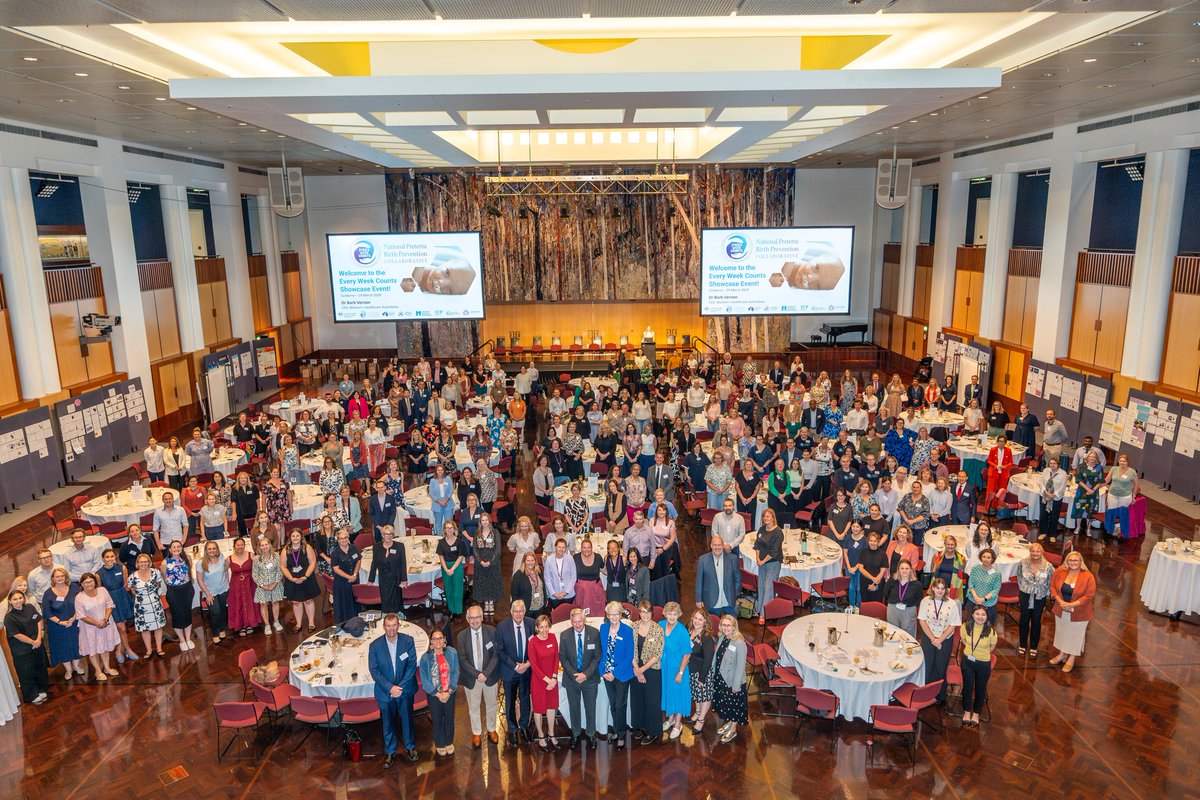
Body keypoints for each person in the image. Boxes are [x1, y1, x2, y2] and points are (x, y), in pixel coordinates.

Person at [369, 613, 420, 767]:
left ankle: (410, 747)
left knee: (407, 720)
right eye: (388, 625)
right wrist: (390, 687)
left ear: (399, 625)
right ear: (384, 627)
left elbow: (411, 665)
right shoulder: (375, 646)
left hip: (404, 691)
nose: (391, 629)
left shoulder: (408, 641)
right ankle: (390, 752)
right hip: (385, 692)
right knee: (388, 723)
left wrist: (400, 687)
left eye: (394, 625)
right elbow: (374, 670)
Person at [557, 607, 601, 750]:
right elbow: (563, 659)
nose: (578, 624)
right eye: (575, 622)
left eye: (580, 621)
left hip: (590, 678)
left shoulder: (594, 633)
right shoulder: (564, 636)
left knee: (591, 708)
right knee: (574, 708)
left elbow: (597, 657)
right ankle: (575, 733)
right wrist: (575, 675)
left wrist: (585, 674)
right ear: (571, 621)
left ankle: (591, 733)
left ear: (584, 620)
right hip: (572, 679)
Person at [495, 599, 537, 746]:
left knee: (525, 698)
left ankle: (524, 726)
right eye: (515, 611)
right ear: (511, 612)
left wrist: (528, 664)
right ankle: (512, 729)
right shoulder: (502, 627)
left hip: (527, 669)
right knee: (510, 700)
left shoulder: (532, 624)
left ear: (525, 612)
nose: (518, 614)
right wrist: (515, 666)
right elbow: (499, 650)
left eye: (521, 611)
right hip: (510, 671)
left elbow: (536, 646)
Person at [457, 605, 499, 747]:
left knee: (492, 705)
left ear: (482, 618)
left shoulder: (492, 631)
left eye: (477, 617)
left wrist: (485, 673)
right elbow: (462, 659)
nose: (475, 620)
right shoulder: (462, 636)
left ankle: (492, 729)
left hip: (490, 676)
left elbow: (496, 655)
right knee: (473, 707)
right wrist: (477, 674)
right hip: (472, 678)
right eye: (471, 618)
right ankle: (476, 732)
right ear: (467, 619)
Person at [1049, 551, 1096, 673]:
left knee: (1075, 635)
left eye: (1076, 560)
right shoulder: (1060, 571)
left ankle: (1071, 658)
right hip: (1061, 608)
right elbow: (1052, 587)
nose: (1073, 563)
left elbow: (1089, 595)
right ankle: (1062, 654)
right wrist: (1060, 602)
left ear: (1081, 562)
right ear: (1067, 561)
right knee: (1062, 632)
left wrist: (1071, 605)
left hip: (1080, 611)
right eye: (1071, 560)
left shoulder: (1088, 576)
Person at [918, 578, 961, 704]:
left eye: (942, 588)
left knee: (940, 666)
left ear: (946, 590)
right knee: (928, 665)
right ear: (933, 588)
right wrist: (933, 638)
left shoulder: (952, 603)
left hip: (945, 639)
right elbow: (922, 620)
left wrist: (940, 639)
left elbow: (953, 624)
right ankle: (925, 694)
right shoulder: (925, 601)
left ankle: (939, 696)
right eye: (937, 588)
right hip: (928, 637)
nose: (940, 591)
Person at [418, 628, 460, 757]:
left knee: (449, 717)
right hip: (434, 694)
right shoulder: (425, 658)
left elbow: (455, 672)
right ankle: (440, 743)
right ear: (431, 641)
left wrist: (449, 691)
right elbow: (424, 679)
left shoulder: (452, 653)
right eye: (435, 638)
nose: (437, 641)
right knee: (437, 719)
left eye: (440, 638)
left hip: (449, 692)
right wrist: (437, 693)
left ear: (444, 640)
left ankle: (449, 741)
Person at [74, 572, 121, 681]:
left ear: (95, 581)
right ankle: (98, 671)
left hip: (106, 623)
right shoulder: (79, 598)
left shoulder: (102, 591)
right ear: (81, 584)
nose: (89, 584)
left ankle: (107, 668)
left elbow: (109, 605)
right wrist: (96, 623)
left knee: (105, 646)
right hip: (89, 628)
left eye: (91, 581)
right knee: (93, 648)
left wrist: (105, 619)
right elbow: (81, 615)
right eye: (85, 582)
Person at [5, 590, 48, 705]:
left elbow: (38, 620)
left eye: (20, 598)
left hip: (37, 643)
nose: (18, 601)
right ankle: (32, 694)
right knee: (27, 671)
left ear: (23, 598)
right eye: (15, 599)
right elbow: (16, 635)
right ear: (10, 601)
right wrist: (32, 642)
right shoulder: (9, 618)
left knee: (40, 667)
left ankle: (41, 689)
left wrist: (39, 638)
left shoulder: (29, 607)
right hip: (22, 649)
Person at [631, 600, 665, 745]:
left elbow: (657, 654)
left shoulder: (657, 629)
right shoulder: (634, 626)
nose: (645, 615)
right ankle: (639, 727)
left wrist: (642, 670)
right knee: (637, 700)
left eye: (648, 612)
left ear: (652, 613)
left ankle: (652, 731)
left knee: (652, 702)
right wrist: (637, 670)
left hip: (651, 670)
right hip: (635, 668)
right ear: (639, 613)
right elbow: (629, 650)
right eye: (642, 612)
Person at [710, 614, 748, 744]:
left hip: (732, 681)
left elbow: (740, 667)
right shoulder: (722, 638)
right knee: (727, 705)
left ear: (734, 627)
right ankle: (729, 723)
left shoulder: (739, 643)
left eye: (729, 625)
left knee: (734, 707)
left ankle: (733, 729)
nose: (726, 628)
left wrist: (736, 686)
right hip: (721, 679)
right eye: (723, 625)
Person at [526, 613, 561, 751]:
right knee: (539, 708)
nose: (545, 630)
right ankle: (541, 735)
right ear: (537, 628)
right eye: (542, 627)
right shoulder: (533, 642)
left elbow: (556, 659)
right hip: (539, 681)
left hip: (552, 679)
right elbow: (534, 665)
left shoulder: (552, 638)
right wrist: (547, 679)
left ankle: (551, 734)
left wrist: (553, 677)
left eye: (547, 626)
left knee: (552, 706)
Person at [958, 604, 997, 728]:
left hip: (983, 663)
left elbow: (992, 647)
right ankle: (966, 712)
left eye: (983, 614)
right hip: (967, 661)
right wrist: (971, 650)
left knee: (980, 688)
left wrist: (981, 653)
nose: (980, 617)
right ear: (973, 615)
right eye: (977, 614)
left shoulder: (991, 631)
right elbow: (963, 640)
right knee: (968, 687)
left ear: (987, 616)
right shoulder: (966, 627)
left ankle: (976, 713)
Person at [42, 566, 83, 679]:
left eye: (62, 576)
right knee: (62, 646)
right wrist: (60, 622)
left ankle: (76, 665)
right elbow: (47, 612)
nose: (60, 578)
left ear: (66, 577)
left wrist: (74, 618)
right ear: (53, 578)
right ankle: (68, 670)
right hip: (57, 625)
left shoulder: (74, 587)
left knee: (77, 643)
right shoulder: (48, 593)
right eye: (57, 576)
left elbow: (80, 604)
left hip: (75, 622)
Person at [658, 601, 692, 740]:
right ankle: (670, 718)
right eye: (669, 614)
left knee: (677, 694)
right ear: (665, 614)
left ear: (679, 615)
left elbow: (687, 654)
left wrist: (680, 672)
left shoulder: (682, 631)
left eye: (675, 614)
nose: (672, 617)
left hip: (677, 668)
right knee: (668, 693)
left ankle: (678, 724)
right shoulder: (660, 625)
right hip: (664, 668)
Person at [1016, 543, 1054, 659]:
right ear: (1030, 552)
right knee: (1024, 619)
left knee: (1036, 621)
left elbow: (1051, 580)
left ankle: (1033, 647)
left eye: (1038, 551)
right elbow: (1019, 577)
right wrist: (1025, 588)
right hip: (1025, 594)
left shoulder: (1048, 566)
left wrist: (1046, 594)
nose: (1035, 554)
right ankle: (1022, 644)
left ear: (1042, 552)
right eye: (1033, 551)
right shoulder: (1023, 563)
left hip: (1039, 596)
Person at [127, 553, 166, 658]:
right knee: (145, 629)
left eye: (145, 561)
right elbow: (133, 591)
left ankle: (159, 648)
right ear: (137, 563)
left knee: (158, 627)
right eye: (141, 562)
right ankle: (148, 650)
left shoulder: (156, 572)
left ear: (149, 563)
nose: (143, 564)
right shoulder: (132, 577)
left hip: (155, 602)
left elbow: (158, 585)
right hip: (141, 605)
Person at [281, 528, 320, 631]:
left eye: (297, 536)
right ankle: (298, 623)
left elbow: (313, 562)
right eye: (293, 536)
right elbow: (283, 566)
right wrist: (291, 578)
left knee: (308, 600)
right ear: (290, 538)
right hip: (292, 579)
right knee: (296, 602)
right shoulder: (285, 550)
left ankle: (311, 622)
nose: (295, 538)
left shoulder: (307, 547)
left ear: (301, 537)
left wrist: (305, 576)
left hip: (306, 578)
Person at [696, 534, 738, 618]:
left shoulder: (733, 559)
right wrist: (698, 599)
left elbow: (738, 579)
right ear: (711, 546)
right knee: (712, 627)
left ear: (723, 546)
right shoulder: (703, 560)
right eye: (715, 545)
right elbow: (699, 581)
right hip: (711, 600)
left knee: (730, 626)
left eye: (719, 545)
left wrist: (734, 594)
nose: (717, 547)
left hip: (729, 600)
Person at [369, 526, 408, 617]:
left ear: (393, 535)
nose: (388, 536)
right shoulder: (376, 547)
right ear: (383, 535)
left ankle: (397, 619)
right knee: (385, 601)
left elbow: (403, 563)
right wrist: (371, 579)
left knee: (396, 602)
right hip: (384, 579)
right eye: (386, 534)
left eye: (391, 534)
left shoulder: (399, 546)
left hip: (396, 579)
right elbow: (374, 563)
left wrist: (404, 579)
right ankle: (387, 619)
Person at [754, 508, 784, 623]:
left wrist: (762, 561)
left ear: (773, 518)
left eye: (768, 516)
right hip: (761, 562)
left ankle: (764, 614)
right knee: (761, 586)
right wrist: (758, 559)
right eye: (764, 516)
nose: (766, 518)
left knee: (768, 588)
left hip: (773, 563)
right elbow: (757, 545)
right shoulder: (761, 529)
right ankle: (759, 609)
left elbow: (774, 552)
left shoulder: (778, 532)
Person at [197, 541, 230, 645]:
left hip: (223, 589)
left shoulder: (221, 557)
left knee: (223, 610)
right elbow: (200, 580)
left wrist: (227, 584)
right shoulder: (201, 563)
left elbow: (225, 571)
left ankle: (222, 629)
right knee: (215, 612)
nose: (212, 551)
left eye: (214, 548)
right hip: (210, 592)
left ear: (217, 549)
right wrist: (207, 594)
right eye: (209, 549)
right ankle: (215, 633)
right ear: (206, 550)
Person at [252, 536, 285, 634]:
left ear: (270, 545)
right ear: (259, 547)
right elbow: (255, 574)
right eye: (262, 545)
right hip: (262, 586)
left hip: (275, 583)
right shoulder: (257, 559)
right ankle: (267, 625)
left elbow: (280, 570)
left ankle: (276, 621)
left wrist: (275, 583)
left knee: (275, 602)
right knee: (263, 604)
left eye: (266, 544)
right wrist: (262, 585)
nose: (265, 547)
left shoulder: (276, 556)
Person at [1104, 454, 1140, 538]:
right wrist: (1098, 485)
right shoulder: (1113, 469)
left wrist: (1133, 496)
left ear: (1128, 462)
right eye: (1121, 461)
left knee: (1122, 513)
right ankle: (1110, 529)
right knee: (1111, 512)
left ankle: (1121, 529)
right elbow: (1107, 480)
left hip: (1125, 496)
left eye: (1124, 461)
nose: (1122, 463)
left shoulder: (1132, 471)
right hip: (1112, 495)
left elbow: (1136, 485)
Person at [883, 559, 921, 637]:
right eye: (902, 568)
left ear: (911, 570)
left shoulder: (916, 584)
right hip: (893, 609)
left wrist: (911, 605)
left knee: (908, 635)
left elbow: (920, 599)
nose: (904, 571)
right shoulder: (892, 580)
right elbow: (885, 593)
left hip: (909, 610)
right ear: (898, 569)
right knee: (892, 633)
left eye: (907, 568)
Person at [330, 529, 361, 625]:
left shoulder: (353, 547)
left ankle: (356, 623)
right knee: (345, 605)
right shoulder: (335, 553)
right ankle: (346, 625)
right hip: (342, 583)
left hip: (354, 579)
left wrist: (354, 575)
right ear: (338, 540)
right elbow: (336, 569)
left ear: (348, 538)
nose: (343, 540)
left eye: (345, 538)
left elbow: (359, 560)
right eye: (341, 538)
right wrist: (349, 577)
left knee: (355, 603)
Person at [1071, 450, 1104, 534]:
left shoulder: (1099, 467)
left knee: (1091, 510)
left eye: (1094, 457)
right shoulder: (1081, 466)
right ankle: (1078, 527)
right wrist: (1088, 489)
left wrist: (1093, 490)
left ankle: (1088, 529)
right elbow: (1078, 479)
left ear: (1096, 458)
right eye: (1090, 456)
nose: (1092, 458)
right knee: (1079, 509)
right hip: (1082, 491)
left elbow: (1101, 480)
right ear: (1087, 457)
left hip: (1093, 492)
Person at [1038, 457, 1069, 543]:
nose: (1052, 465)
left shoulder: (1063, 474)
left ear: (1058, 464)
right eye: (1051, 463)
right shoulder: (1046, 471)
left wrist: (1053, 495)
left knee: (1054, 516)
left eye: (1054, 463)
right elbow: (1041, 482)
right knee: (1043, 515)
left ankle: (1051, 534)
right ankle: (1043, 532)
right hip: (1045, 496)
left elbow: (1063, 487)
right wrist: (1046, 492)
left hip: (1056, 498)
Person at [967, 548, 1001, 624]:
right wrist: (976, 598)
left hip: (988, 602)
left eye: (989, 557)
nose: (986, 559)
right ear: (980, 557)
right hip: (973, 599)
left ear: (992, 559)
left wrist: (983, 599)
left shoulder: (996, 573)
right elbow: (971, 584)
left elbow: (996, 589)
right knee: (971, 623)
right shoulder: (975, 569)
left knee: (988, 626)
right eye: (984, 556)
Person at [984, 436, 1014, 512]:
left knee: (1002, 491)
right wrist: (995, 466)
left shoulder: (1008, 450)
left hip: (1003, 473)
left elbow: (1011, 462)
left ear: (1005, 443)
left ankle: (999, 506)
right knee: (991, 490)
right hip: (993, 472)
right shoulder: (993, 450)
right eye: (999, 441)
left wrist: (1005, 466)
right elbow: (989, 460)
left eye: (1003, 441)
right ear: (997, 442)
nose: (1001, 443)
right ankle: (989, 506)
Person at [858, 531, 889, 604]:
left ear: (878, 542)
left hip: (878, 583)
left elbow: (882, 571)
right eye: (871, 540)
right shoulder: (863, 552)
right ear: (868, 541)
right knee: (865, 604)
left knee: (877, 605)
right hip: (865, 582)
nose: (872, 543)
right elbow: (861, 568)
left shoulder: (883, 554)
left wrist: (874, 583)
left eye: (875, 541)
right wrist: (873, 579)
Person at [428, 464, 456, 533]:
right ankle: (440, 539)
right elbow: (431, 493)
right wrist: (440, 502)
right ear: (436, 471)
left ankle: (449, 538)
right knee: (438, 524)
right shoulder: (432, 481)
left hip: (448, 504)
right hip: (437, 505)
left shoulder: (448, 479)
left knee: (449, 524)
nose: (440, 471)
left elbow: (451, 490)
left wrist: (445, 501)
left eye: (441, 470)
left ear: (444, 471)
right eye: (438, 470)